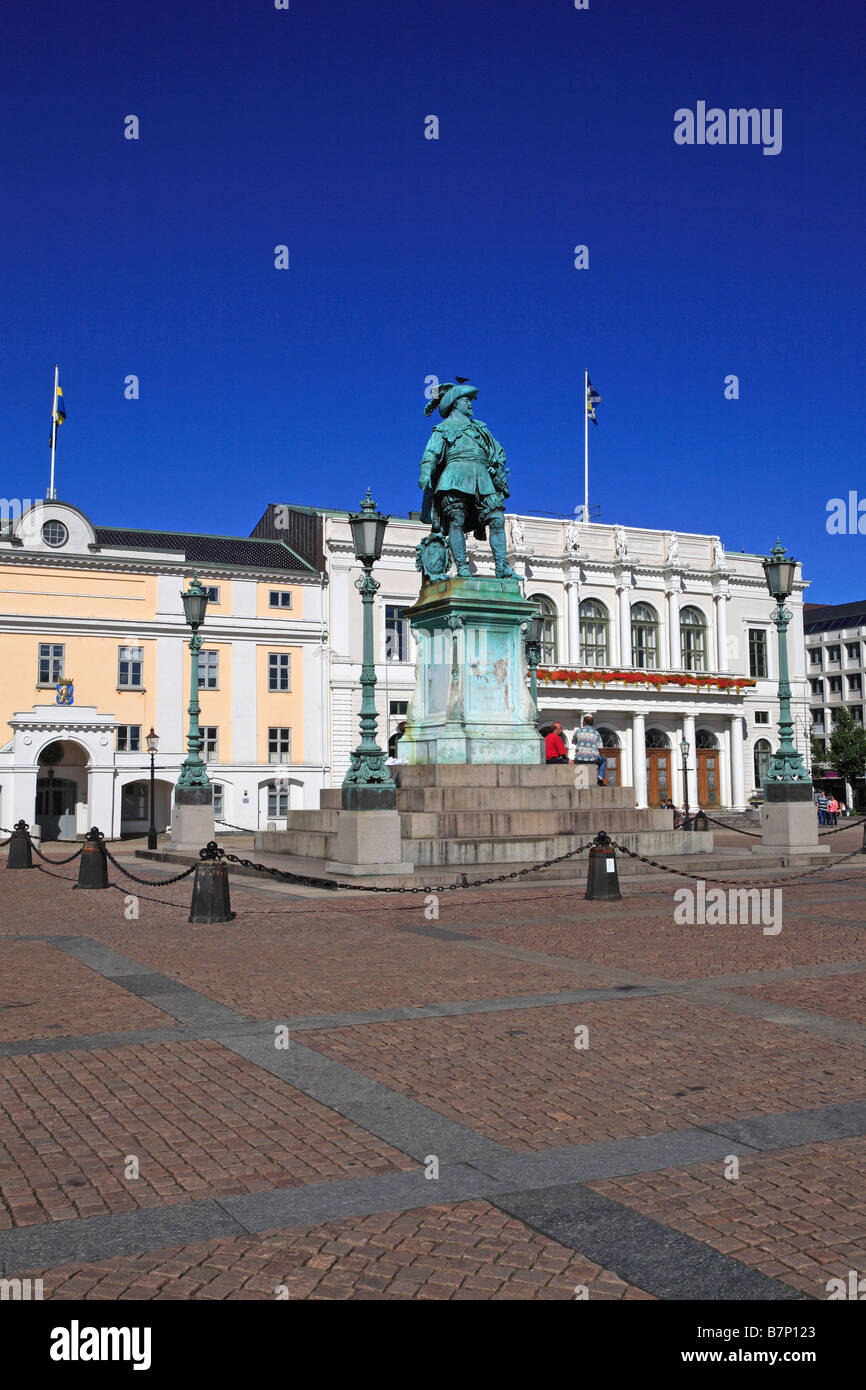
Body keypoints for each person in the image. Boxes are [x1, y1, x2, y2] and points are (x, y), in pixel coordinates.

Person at [572, 714, 607, 785]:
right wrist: (602, 755)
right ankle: (600, 778)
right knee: (603, 759)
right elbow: (600, 748)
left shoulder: (578, 731)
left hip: (579, 759)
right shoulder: (596, 733)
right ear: (592, 723)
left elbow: (573, 742)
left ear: (584, 722)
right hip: (592, 760)